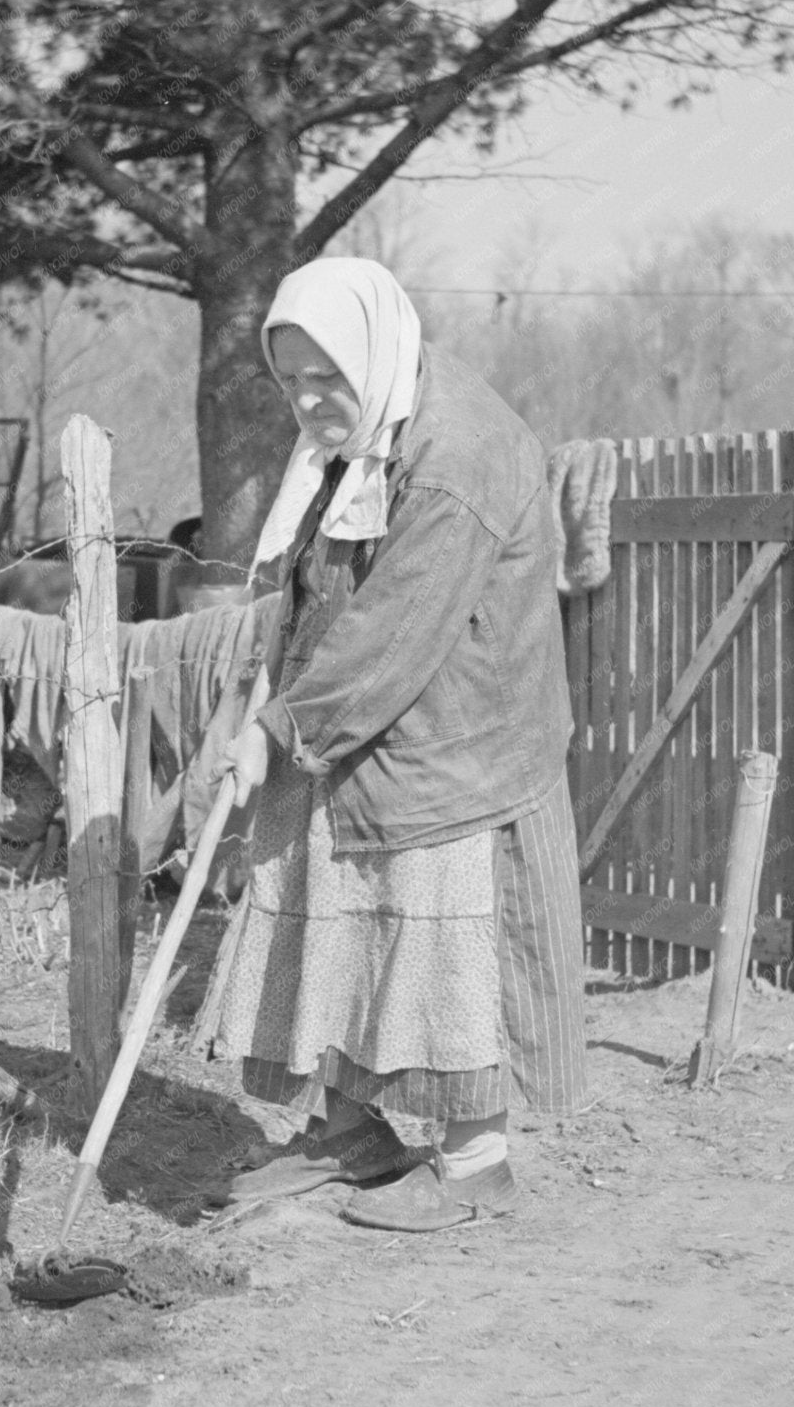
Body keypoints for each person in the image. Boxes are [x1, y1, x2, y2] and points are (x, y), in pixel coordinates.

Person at [211, 257, 585, 1233]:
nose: (307, 401)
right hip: (362, 723)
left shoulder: (457, 458)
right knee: (339, 923)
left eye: (325, 377)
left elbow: (394, 630)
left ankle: (474, 1165)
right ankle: (350, 1131)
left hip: (459, 743)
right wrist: (268, 701)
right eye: (290, 379)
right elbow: (317, 584)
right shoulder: (361, 424)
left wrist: (283, 728)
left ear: (371, 353)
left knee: (444, 957)